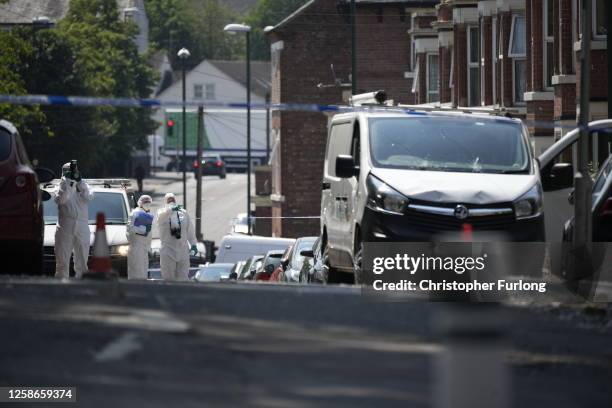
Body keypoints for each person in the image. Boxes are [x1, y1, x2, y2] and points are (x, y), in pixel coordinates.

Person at [54, 161, 93, 279]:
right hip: (65, 225)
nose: (70, 173)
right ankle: (61, 285)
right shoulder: (59, 187)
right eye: (67, 171)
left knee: (82, 261)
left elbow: (89, 197)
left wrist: (79, 183)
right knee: (62, 261)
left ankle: (82, 286)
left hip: (82, 225)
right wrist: (69, 183)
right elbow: (61, 200)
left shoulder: (84, 185)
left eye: (72, 171)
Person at [157, 193, 198, 281]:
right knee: (168, 278)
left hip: (182, 250)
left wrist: (193, 244)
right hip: (168, 251)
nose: (171, 201)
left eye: (173, 199)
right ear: (165, 202)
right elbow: (160, 218)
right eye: (169, 200)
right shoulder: (162, 213)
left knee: (183, 278)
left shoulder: (183, 213)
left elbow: (190, 231)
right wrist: (171, 209)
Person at [126, 194, 154, 280]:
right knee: (136, 274)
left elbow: (148, 236)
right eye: (145, 202)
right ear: (140, 203)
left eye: (149, 202)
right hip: (136, 249)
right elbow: (129, 230)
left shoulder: (147, 215)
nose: (147, 204)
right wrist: (143, 230)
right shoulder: (135, 214)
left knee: (143, 274)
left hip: (144, 249)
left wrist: (149, 248)